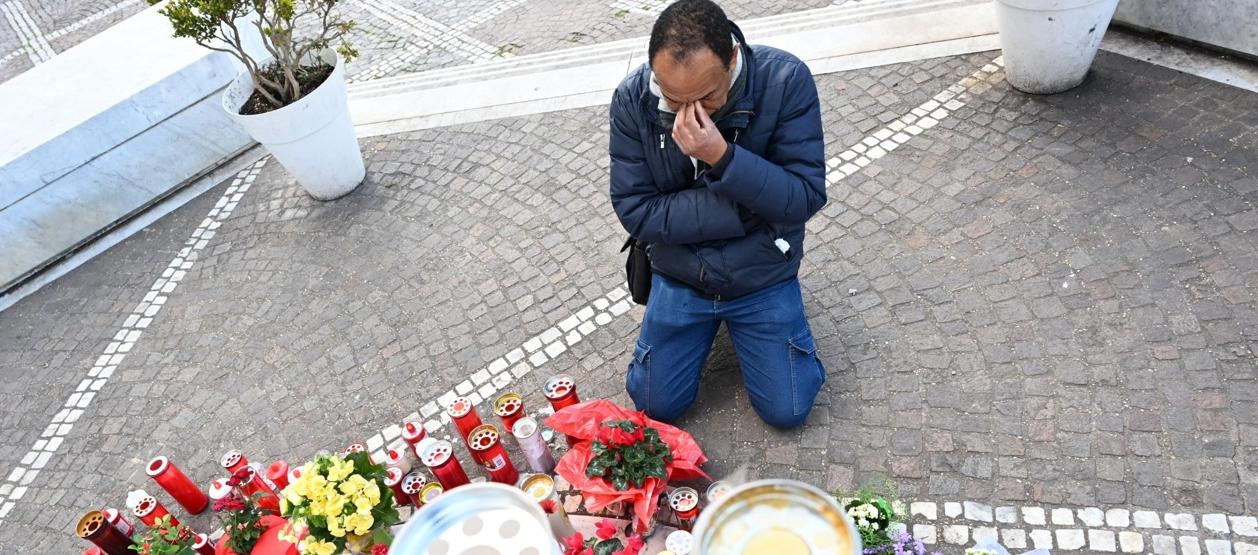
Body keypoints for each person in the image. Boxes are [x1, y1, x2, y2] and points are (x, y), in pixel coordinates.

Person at [609, 0, 827, 428]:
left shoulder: (784, 79)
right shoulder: (632, 98)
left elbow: (803, 195)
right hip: (681, 275)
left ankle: (772, 334)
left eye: (707, 96)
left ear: (732, 58)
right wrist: (745, 210)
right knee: (655, 407)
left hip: (760, 273)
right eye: (674, 99)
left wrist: (722, 158)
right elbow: (636, 209)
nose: (693, 114)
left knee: (789, 410)